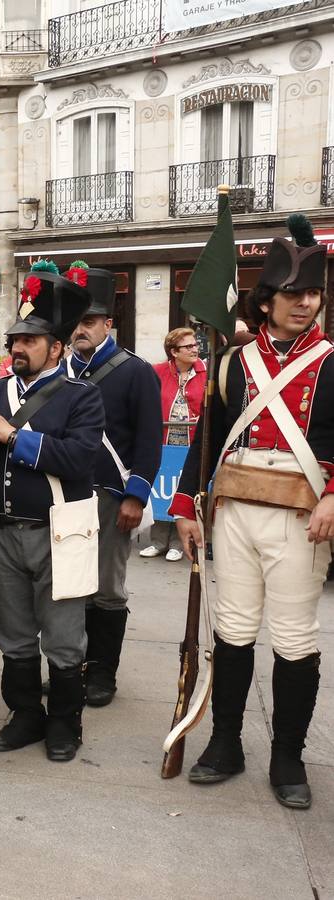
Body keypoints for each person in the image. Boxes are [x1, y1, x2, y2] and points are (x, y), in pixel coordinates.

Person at [172, 214, 332, 810]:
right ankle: (226, 743)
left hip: (301, 514)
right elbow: (207, 439)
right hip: (235, 509)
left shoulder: (331, 360)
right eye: (293, 293)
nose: (305, 303)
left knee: (294, 638)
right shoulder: (232, 363)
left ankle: (288, 755)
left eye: (312, 293)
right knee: (233, 630)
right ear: (266, 301)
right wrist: (186, 505)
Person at [0, 260, 102, 764]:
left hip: (59, 531)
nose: (18, 347)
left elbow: (80, 458)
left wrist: (11, 436)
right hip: (2, 530)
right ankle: (24, 715)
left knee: (63, 637)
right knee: (13, 632)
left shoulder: (82, 395)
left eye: (30, 340)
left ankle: (64, 721)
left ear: (56, 348)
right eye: (15, 339)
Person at [64, 262, 162, 708]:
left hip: (110, 495)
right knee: (69, 584)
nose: (80, 329)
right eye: (75, 321)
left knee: (106, 586)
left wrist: (136, 495)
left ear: (108, 323)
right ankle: (72, 666)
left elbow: (148, 440)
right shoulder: (58, 370)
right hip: (64, 494)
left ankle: (102, 671)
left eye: (89, 320)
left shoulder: (134, 371)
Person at [141, 326, 205, 561]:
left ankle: (178, 543)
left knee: (182, 489)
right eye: (188, 346)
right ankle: (158, 541)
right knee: (160, 490)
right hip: (164, 441)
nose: (194, 349)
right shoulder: (157, 372)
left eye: (195, 345)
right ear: (173, 351)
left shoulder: (205, 372)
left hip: (190, 442)